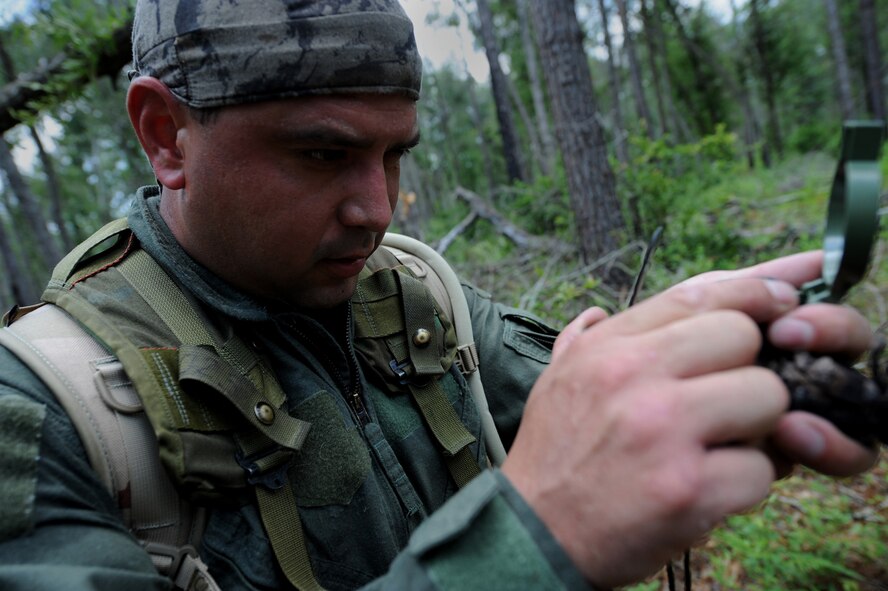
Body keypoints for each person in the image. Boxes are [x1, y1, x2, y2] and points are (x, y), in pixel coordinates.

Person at [0, 1, 877, 590]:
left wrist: (761, 362)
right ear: (166, 135)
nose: (376, 211)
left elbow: (584, 400)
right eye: (321, 155)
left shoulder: (410, 294)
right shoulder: (48, 413)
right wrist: (528, 540)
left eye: (395, 155)